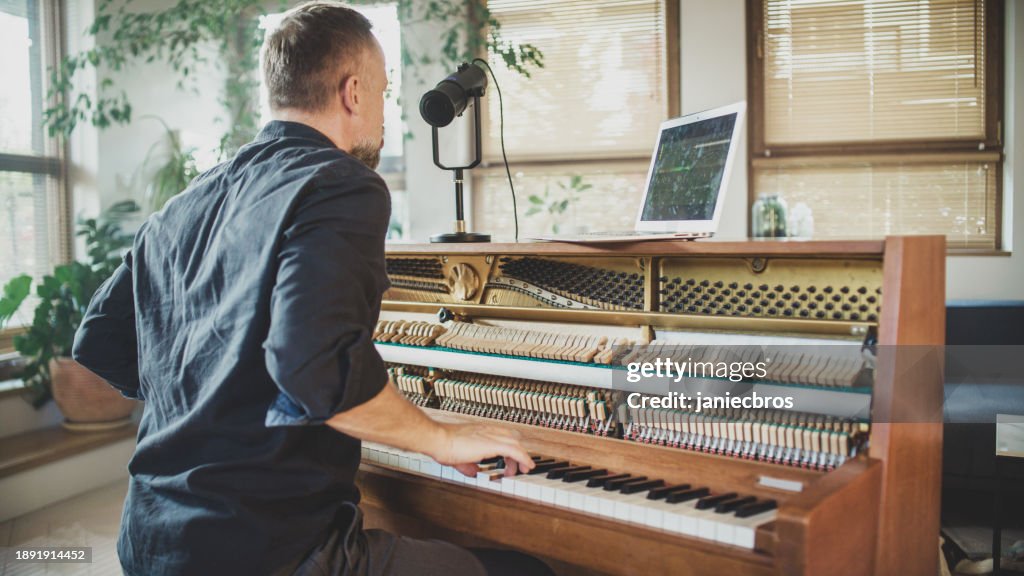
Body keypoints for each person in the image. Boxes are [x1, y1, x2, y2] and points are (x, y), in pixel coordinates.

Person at [72, 2, 552, 575]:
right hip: (265, 552)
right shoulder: (340, 183)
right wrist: (441, 440)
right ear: (353, 92)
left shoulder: (185, 203)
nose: (382, 109)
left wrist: (213, 406)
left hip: (150, 542)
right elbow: (315, 367)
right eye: (381, 91)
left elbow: (98, 340)